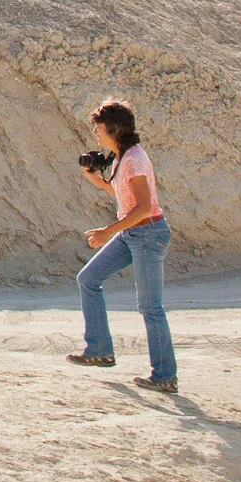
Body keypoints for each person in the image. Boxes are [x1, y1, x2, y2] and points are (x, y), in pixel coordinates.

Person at [65, 98, 176, 392]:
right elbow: (123, 193)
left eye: (99, 128)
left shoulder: (136, 159)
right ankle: (99, 350)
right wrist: (97, 182)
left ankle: (165, 376)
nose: (95, 133)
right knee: (88, 279)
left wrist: (107, 231)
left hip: (148, 233)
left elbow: (143, 207)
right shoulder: (123, 157)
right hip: (133, 233)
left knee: (150, 307)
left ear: (114, 128)